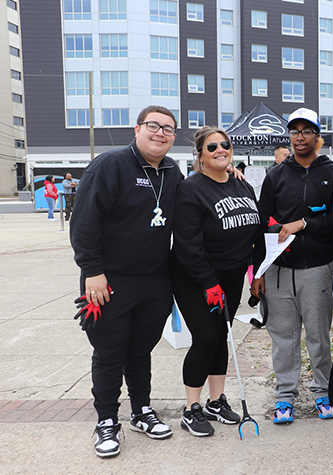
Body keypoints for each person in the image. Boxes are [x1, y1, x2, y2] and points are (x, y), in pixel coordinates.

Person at [70, 106, 182, 458]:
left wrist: (231, 175)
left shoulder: (172, 172)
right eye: (153, 126)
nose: (160, 132)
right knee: (109, 353)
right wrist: (92, 270)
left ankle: (141, 411)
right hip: (109, 281)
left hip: (155, 281)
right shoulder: (110, 165)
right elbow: (84, 221)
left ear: (174, 137)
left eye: (168, 128)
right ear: (137, 130)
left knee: (140, 350)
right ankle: (106, 420)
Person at [250, 108, 333, 424]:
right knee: (283, 337)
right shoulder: (276, 175)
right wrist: (257, 272)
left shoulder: (332, 172)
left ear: (318, 135)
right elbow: (260, 226)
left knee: (318, 335)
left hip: (318, 267)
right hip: (278, 270)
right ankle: (284, 397)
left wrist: (305, 223)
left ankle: (322, 393)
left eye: (306, 130)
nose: (300, 137)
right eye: (294, 131)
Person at [171, 126, 262, 437]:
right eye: (212, 147)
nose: (221, 150)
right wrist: (208, 283)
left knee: (223, 335)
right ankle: (191, 408)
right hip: (195, 277)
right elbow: (187, 244)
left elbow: (253, 230)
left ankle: (215, 401)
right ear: (200, 155)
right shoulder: (191, 189)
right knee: (206, 338)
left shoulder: (242, 185)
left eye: (225, 145)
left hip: (232, 274)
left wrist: (255, 272)